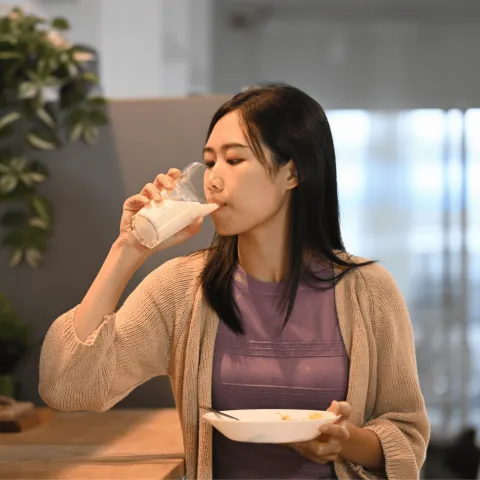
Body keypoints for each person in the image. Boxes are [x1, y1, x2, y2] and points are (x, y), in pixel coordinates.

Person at [39, 83, 429, 480]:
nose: (213, 180)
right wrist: (128, 249)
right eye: (210, 163)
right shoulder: (182, 288)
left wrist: (344, 440)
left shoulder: (369, 290)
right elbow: (67, 384)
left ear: (292, 171)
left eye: (234, 160)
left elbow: (406, 434)